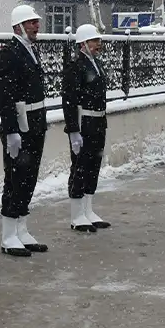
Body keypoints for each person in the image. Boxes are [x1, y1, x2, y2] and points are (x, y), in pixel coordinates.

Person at [0, 4, 50, 257]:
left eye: (36, 22)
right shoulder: (9, 53)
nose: (36, 26)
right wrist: (11, 130)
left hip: (35, 122)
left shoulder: (30, 50)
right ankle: (8, 235)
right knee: (15, 178)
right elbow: (5, 96)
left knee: (29, 177)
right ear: (18, 27)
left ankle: (21, 228)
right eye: (31, 23)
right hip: (21, 124)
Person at [64, 24, 111, 232]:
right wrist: (73, 130)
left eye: (98, 40)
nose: (98, 44)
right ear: (83, 43)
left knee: (94, 165)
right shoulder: (75, 66)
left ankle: (88, 209)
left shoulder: (96, 64)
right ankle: (77, 214)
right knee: (80, 167)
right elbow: (69, 101)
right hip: (84, 122)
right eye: (94, 41)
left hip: (98, 122)